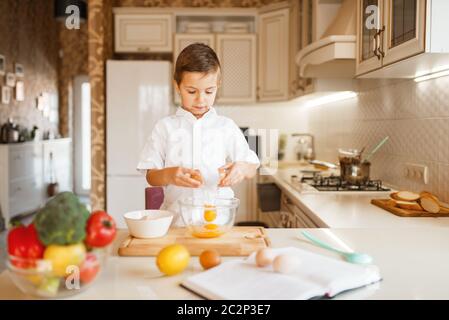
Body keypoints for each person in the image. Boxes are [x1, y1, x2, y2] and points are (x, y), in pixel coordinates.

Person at [137, 43, 260, 225]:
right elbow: (151, 176)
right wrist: (169, 175)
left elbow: (252, 166)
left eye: (209, 91)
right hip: (176, 223)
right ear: (177, 86)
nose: (201, 100)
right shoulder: (165, 127)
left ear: (217, 86)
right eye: (192, 91)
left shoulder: (225, 126)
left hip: (218, 222)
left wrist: (241, 168)